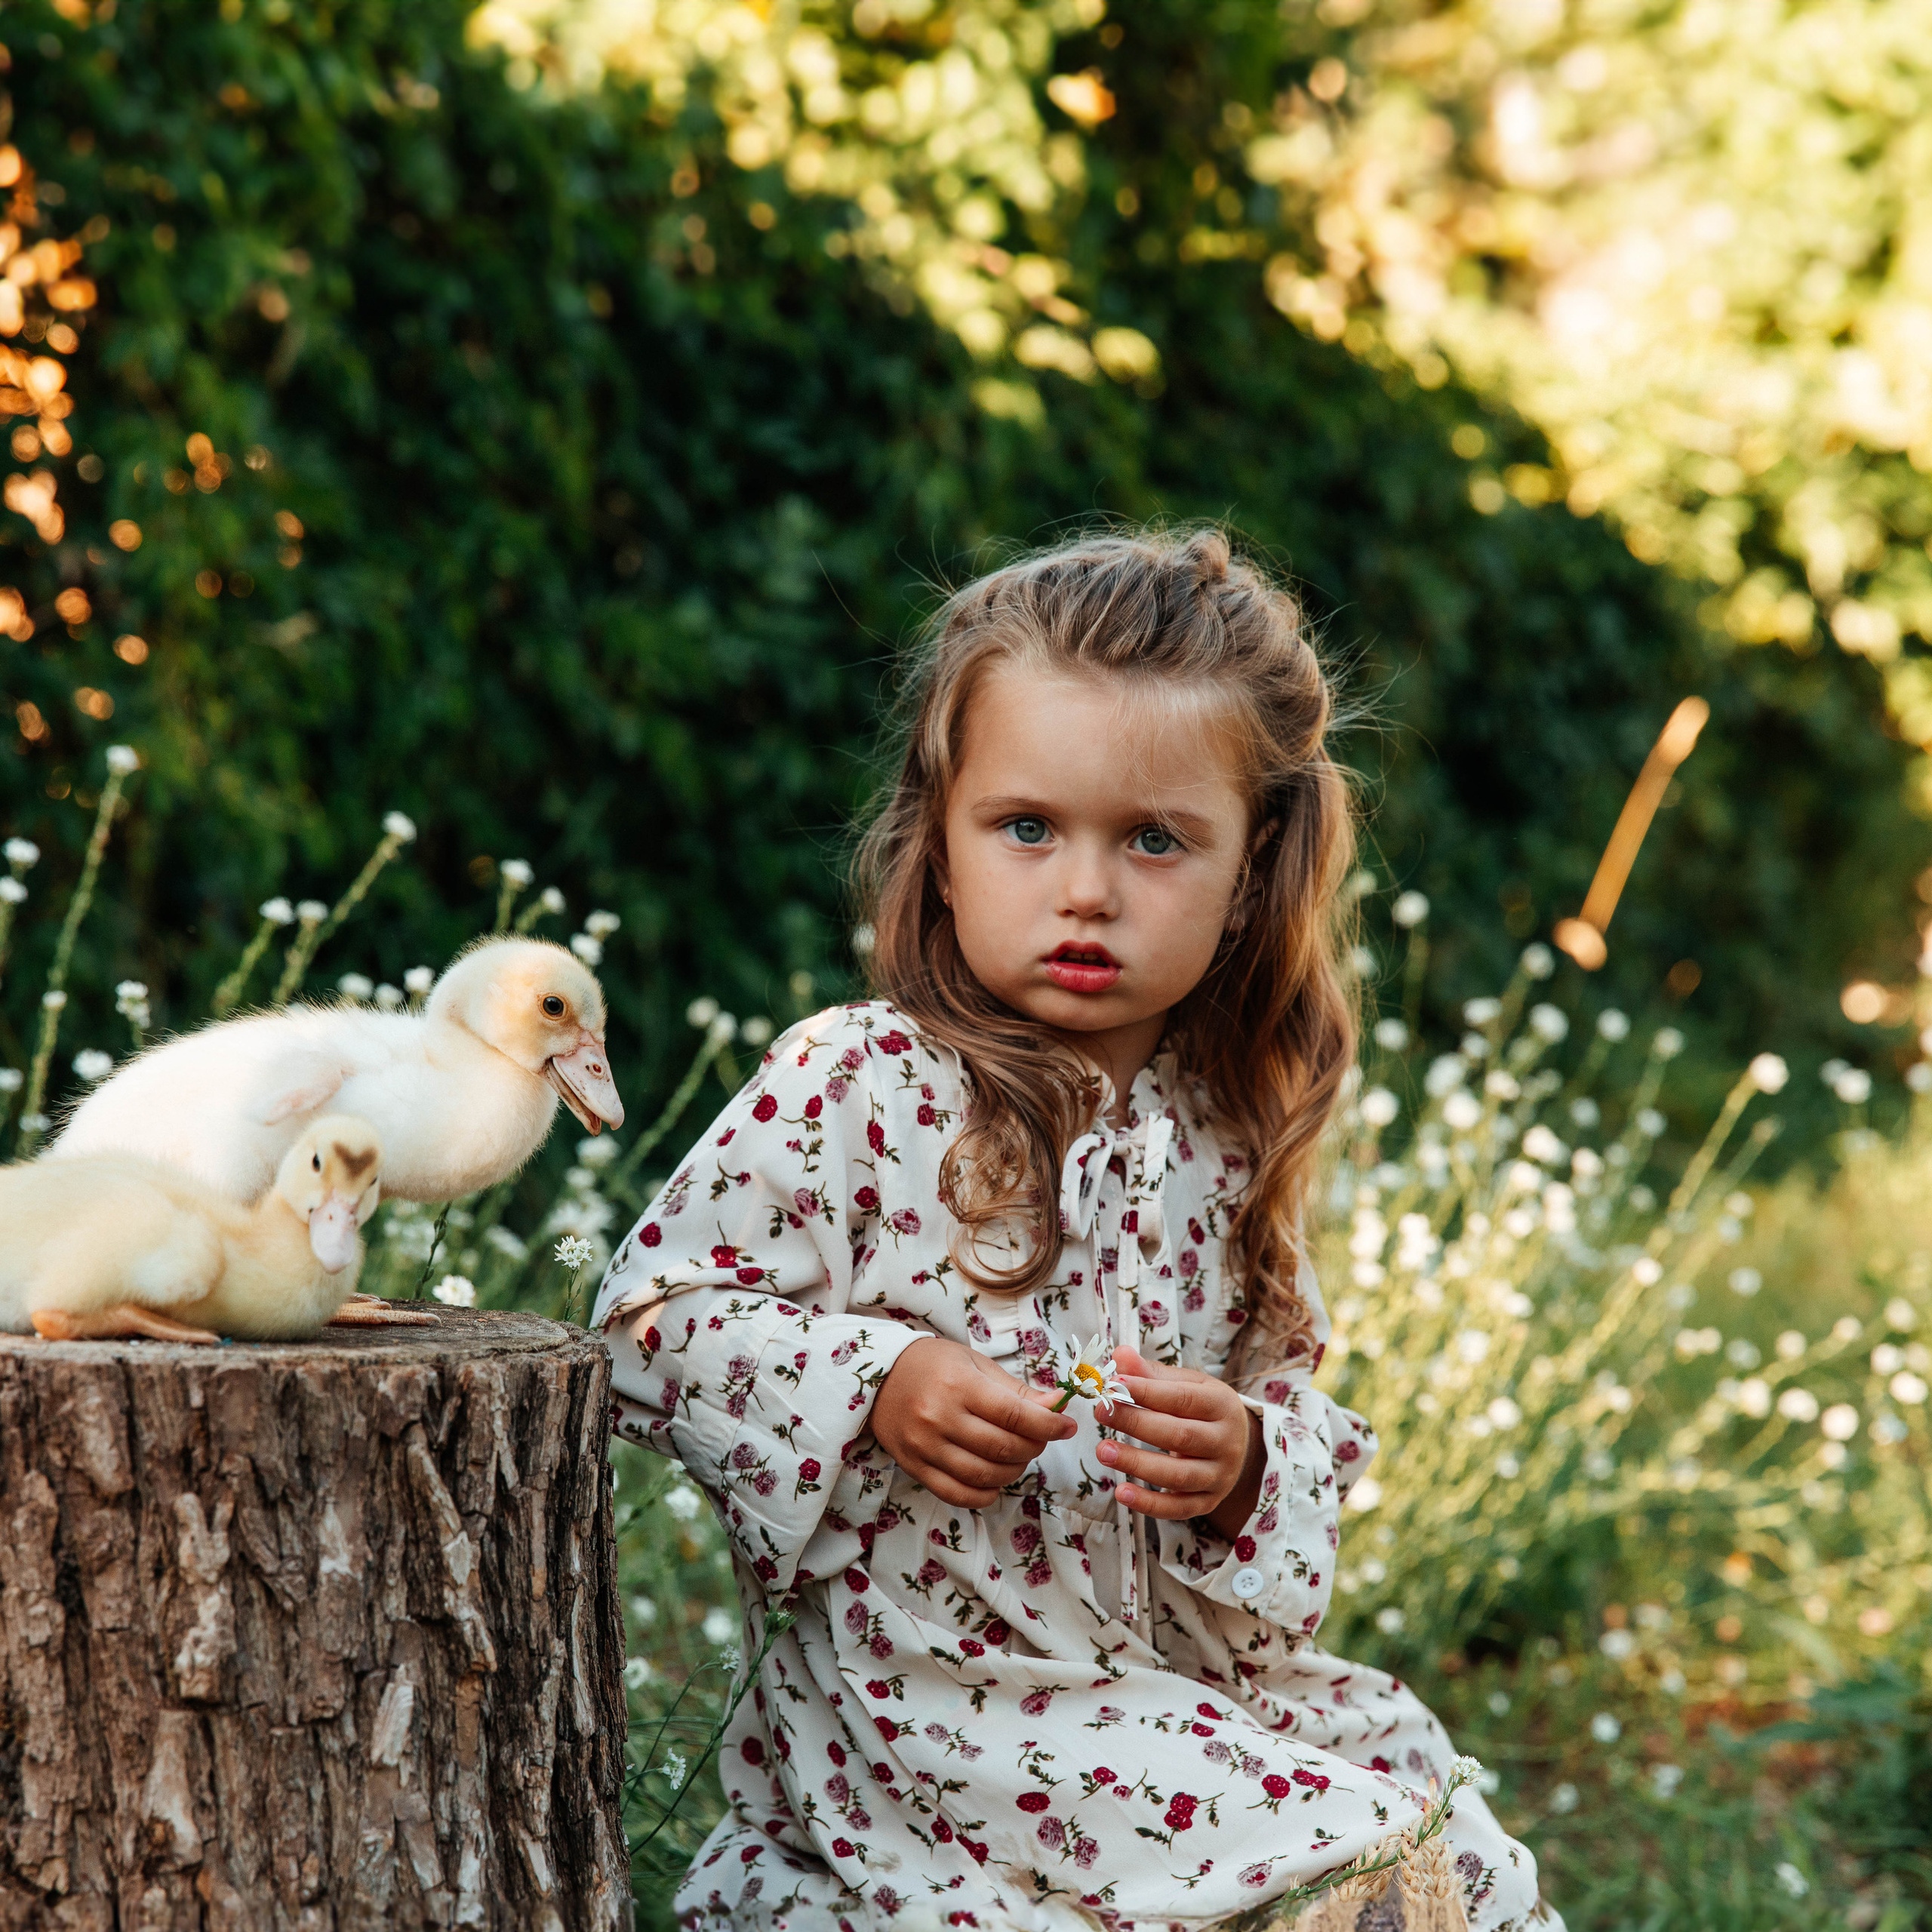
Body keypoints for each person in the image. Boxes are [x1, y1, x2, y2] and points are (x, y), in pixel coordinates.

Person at [592, 529, 1559, 1932]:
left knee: (1455, 1847)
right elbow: (647, 1325)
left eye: (1155, 840)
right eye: (1027, 828)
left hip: (1187, 1689)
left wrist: (1241, 1463)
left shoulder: (1225, 1130)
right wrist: (877, 1381)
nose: (1087, 890)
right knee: (1371, 1872)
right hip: (947, 1717)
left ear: (1251, 875)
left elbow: (1293, 1417)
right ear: (940, 846)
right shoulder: (857, 1084)